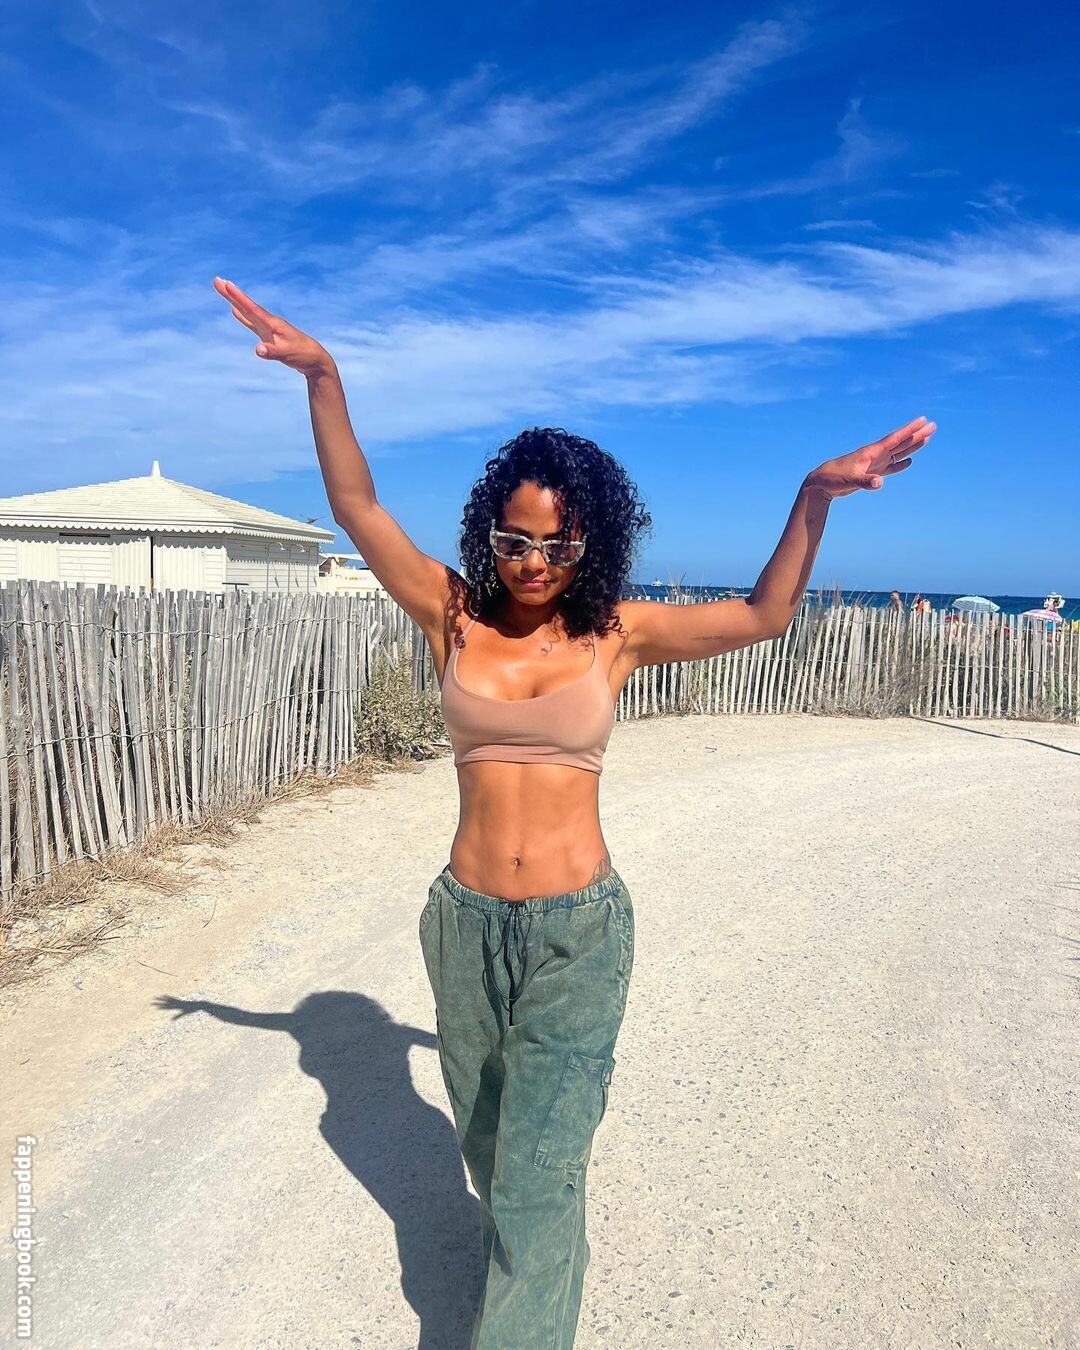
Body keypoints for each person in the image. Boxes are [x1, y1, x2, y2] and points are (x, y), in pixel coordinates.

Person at [213, 277, 936, 1349]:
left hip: (576, 934)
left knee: (540, 1177)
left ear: (591, 544)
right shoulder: (450, 613)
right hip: (463, 927)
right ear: (489, 533)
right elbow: (360, 510)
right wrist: (324, 378)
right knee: (493, 1154)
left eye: (559, 547)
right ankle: (534, 1286)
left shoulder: (616, 636)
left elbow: (764, 614)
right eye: (516, 542)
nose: (535, 565)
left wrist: (813, 496)